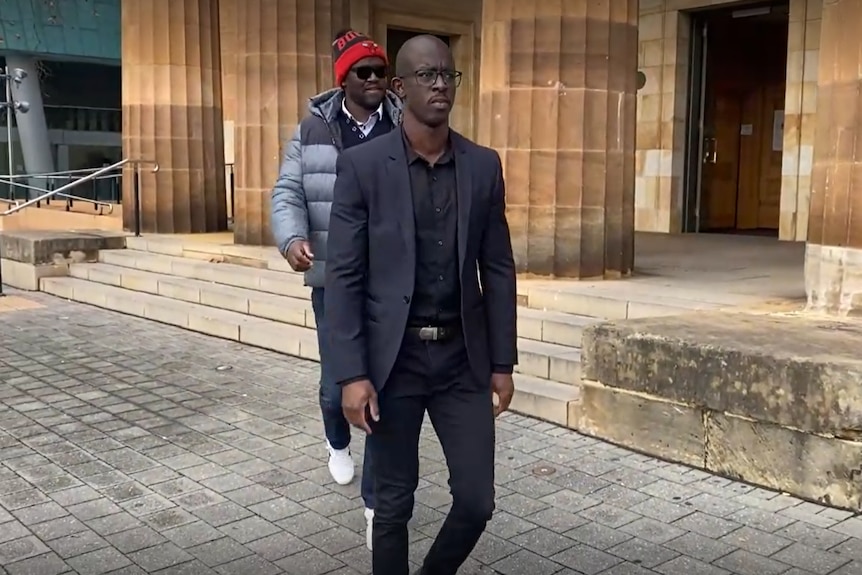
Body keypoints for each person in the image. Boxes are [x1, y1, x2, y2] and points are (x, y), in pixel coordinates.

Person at [325, 34, 518, 575]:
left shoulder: (483, 165)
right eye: (427, 76)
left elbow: (498, 269)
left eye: (448, 76)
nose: (439, 86)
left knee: (478, 500)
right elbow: (343, 276)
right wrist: (350, 374)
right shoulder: (363, 167)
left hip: (462, 360)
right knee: (392, 505)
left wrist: (502, 362)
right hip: (394, 364)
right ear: (399, 87)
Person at [270, 28, 401, 551]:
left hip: (392, 281)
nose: (374, 80)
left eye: (379, 71)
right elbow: (287, 190)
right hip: (333, 278)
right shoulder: (312, 128)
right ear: (343, 78)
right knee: (338, 386)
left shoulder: (402, 124)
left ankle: (375, 506)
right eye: (362, 72)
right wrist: (292, 238)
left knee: (383, 389)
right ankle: (336, 439)